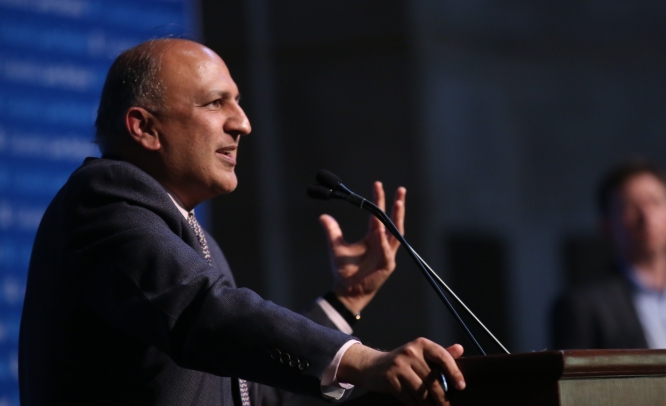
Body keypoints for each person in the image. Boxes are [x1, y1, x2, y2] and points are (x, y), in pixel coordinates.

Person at [19, 38, 465, 406]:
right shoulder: (101, 199)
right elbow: (203, 312)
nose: (243, 124)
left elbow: (252, 390)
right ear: (145, 128)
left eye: (239, 103)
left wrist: (344, 303)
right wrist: (363, 360)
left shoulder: (192, 235)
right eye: (216, 103)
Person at [550, 160, 666, 406]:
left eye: (655, 202)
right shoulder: (583, 306)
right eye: (630, 207)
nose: (646, 216)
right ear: (607, 226)